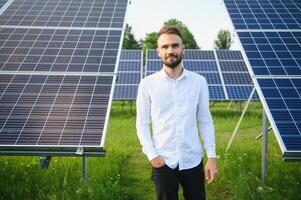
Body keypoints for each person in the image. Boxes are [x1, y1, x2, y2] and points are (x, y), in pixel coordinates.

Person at [136, 26, 217, 200]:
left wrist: (211, 157)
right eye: (165, 47)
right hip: (162, 161)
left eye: (175, 45)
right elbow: (142, 123)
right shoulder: (147, 84)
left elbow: (204, 120)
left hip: (192, 159)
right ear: (158, 52)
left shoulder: (199, 82)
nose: (170, 50)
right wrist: (151, 154)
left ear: (183, 49)